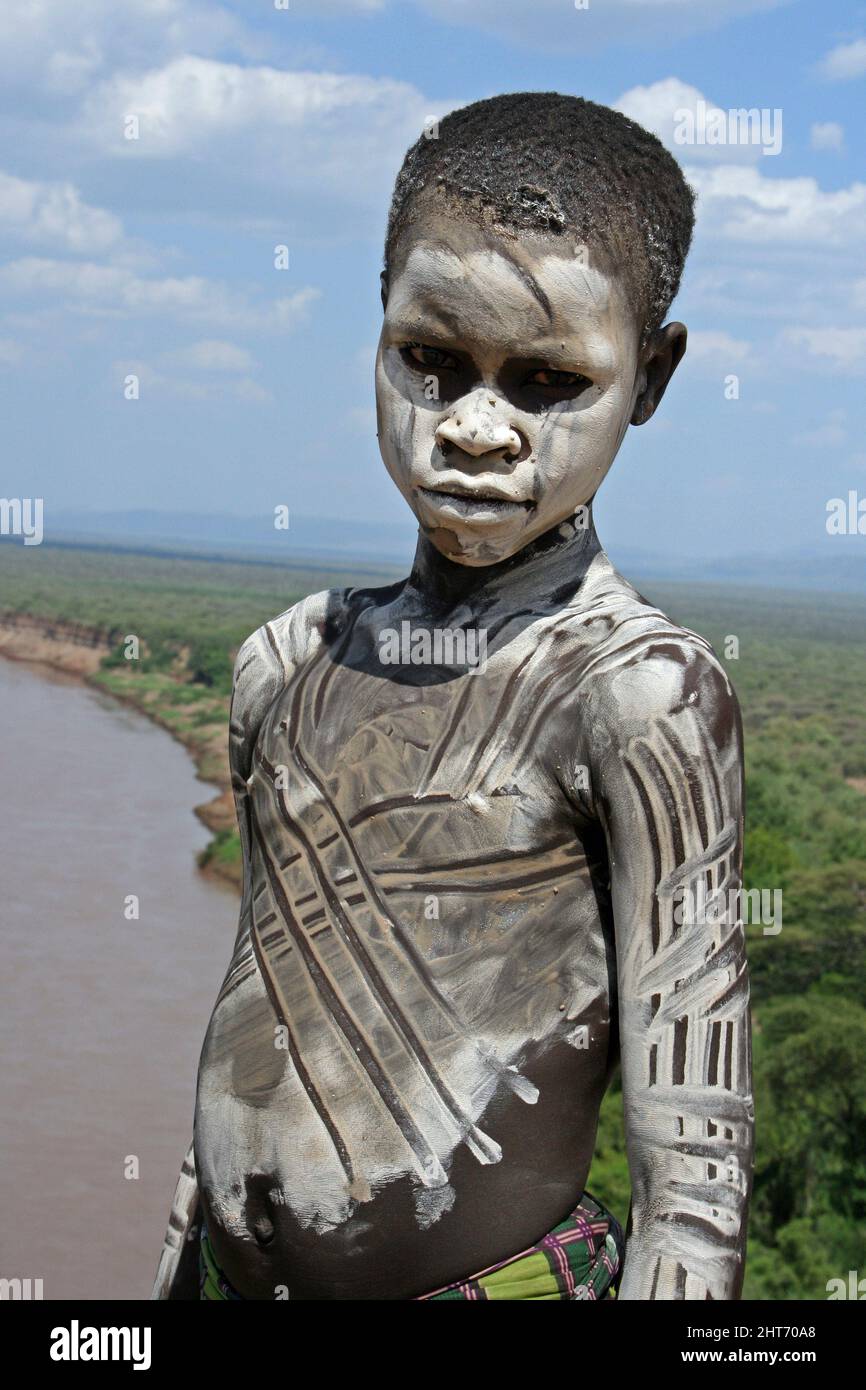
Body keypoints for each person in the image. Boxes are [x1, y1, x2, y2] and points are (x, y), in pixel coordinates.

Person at [154, 92, 753, 1302]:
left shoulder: (639, 694)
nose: (477, 428)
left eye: (546, 381)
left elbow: (689, 1160)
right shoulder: (284, 660)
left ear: (651, 376)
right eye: (431, 362)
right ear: (376, 335)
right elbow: (256, 1011)